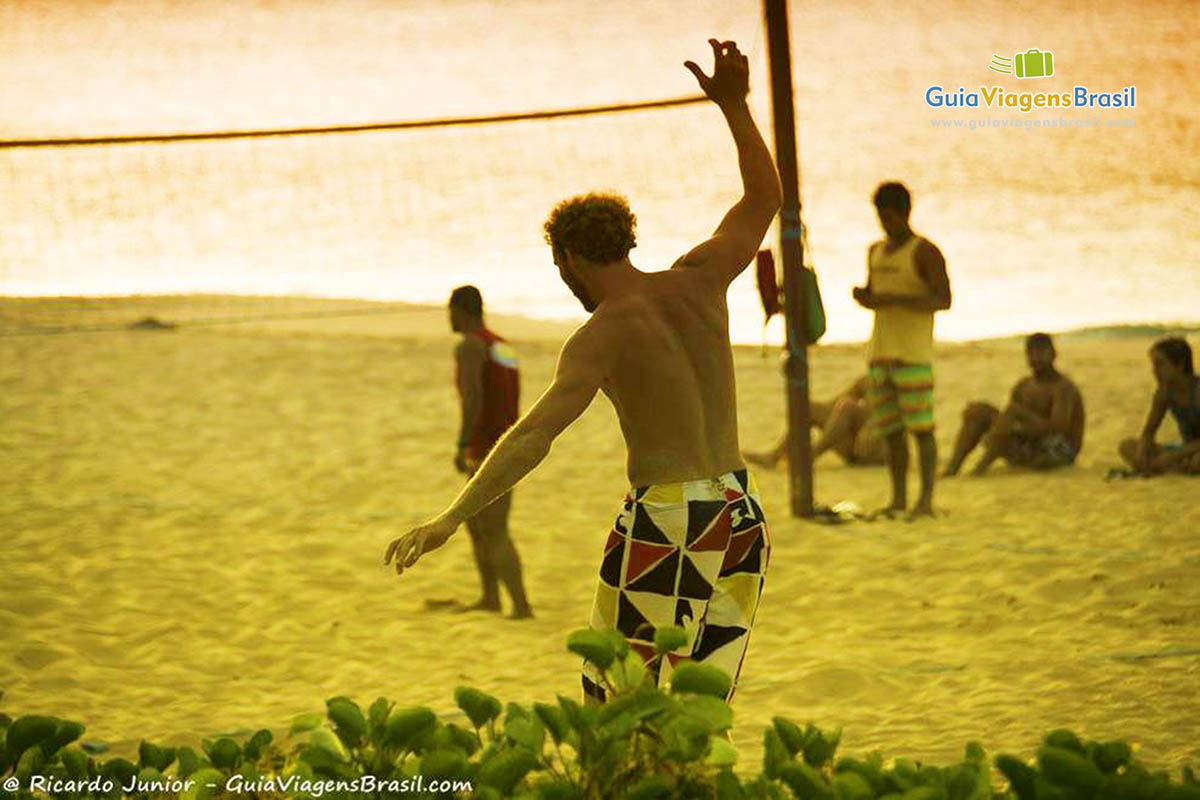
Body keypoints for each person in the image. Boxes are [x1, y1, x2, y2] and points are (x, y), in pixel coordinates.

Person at [385, 39, 780, 704]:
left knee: (616, 695)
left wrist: (449, 517)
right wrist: (736, 107)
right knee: (702, 701)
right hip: (741, 514)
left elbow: (532, 437)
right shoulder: (702, 279)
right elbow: (764, 196)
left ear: (570, 257)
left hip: (671, 516)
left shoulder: (599, 337)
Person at [852, 182, 951, 518]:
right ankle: (898, 499)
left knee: (922, 431)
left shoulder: (925, 251)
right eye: (880, 217)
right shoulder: (875, 251)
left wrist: (895, 300)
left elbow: (943, 300)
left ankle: (925, 500)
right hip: (879, 352)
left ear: (905, 213)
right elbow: (874, 293)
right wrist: (865, 298)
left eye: (889, 216)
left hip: (913, 355)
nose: (884, 224)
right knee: (892, 433)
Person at [434, 285, 533, 618]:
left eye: (449, 311)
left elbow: (474, 396)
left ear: (458, 310)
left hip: (488, 447)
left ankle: (521, 607)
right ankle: (490, 598)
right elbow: (508, 391)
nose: (448, 318)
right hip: (504, 442)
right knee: (476, 525)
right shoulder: (502, 345)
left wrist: (463, 443)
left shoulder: (469, 347)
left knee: (494, 528)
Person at [942, 333, 1085, 476]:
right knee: (978, 411)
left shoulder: (1063, 388)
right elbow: (1008, 419)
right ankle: (953, 468)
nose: (1036, 358)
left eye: (1041, 353)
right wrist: (1005, 426)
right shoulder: (1024, 385)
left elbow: (1058, 427)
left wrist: (1018, 426)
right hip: (1030, 445)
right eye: (1031, 353)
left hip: (1058, 452)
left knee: (1013, 413)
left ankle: (981, 467)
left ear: (1053, 354)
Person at [743, 375, 886, 468]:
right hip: (856, 447)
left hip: (880, 452)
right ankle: (774, 456)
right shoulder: (867, 381)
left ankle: (809, 457)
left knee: (848, 406)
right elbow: (832, 406)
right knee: (810, 408)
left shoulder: (895, 380)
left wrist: (872, 424)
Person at [1118, 337, 1200, 475]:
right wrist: (1141, 452)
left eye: (1160, 364)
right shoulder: (1164, 392)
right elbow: (1149, 432)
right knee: (1126, 446)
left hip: (1190, 451)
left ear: (1180, 365)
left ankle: (1174, 468)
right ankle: (1176, 468)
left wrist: (1173, 456)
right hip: (1185, 449)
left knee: (1197, 461)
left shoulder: (1197, 391)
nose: (1154, 371)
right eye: (1153, 365)